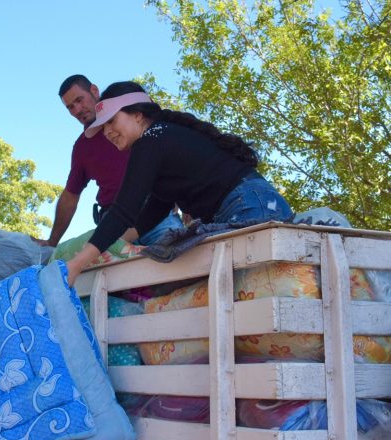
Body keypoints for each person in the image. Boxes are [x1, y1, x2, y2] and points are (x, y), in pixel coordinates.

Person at [66, 80, 293, 285]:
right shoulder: (162, 140)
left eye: (112, 121)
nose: (107, 132)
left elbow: (123, 211)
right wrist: (113, 246)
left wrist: (76, 264)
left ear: (137, 114)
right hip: (255, 203)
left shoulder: (150, 141)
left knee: (251, 294)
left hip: (249, 206)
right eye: (103, 126)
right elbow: (149, 216)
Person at [39, 74, 182, 247]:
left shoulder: (137, 121)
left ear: (94, 90)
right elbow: (70, 195)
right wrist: (53, 241)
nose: (77, 110)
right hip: (112, 222)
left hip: (157, 212)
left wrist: (187, 204)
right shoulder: (83, 146)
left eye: (79, 100)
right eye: (70, 107)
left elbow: (177, 161)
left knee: (180, 259)